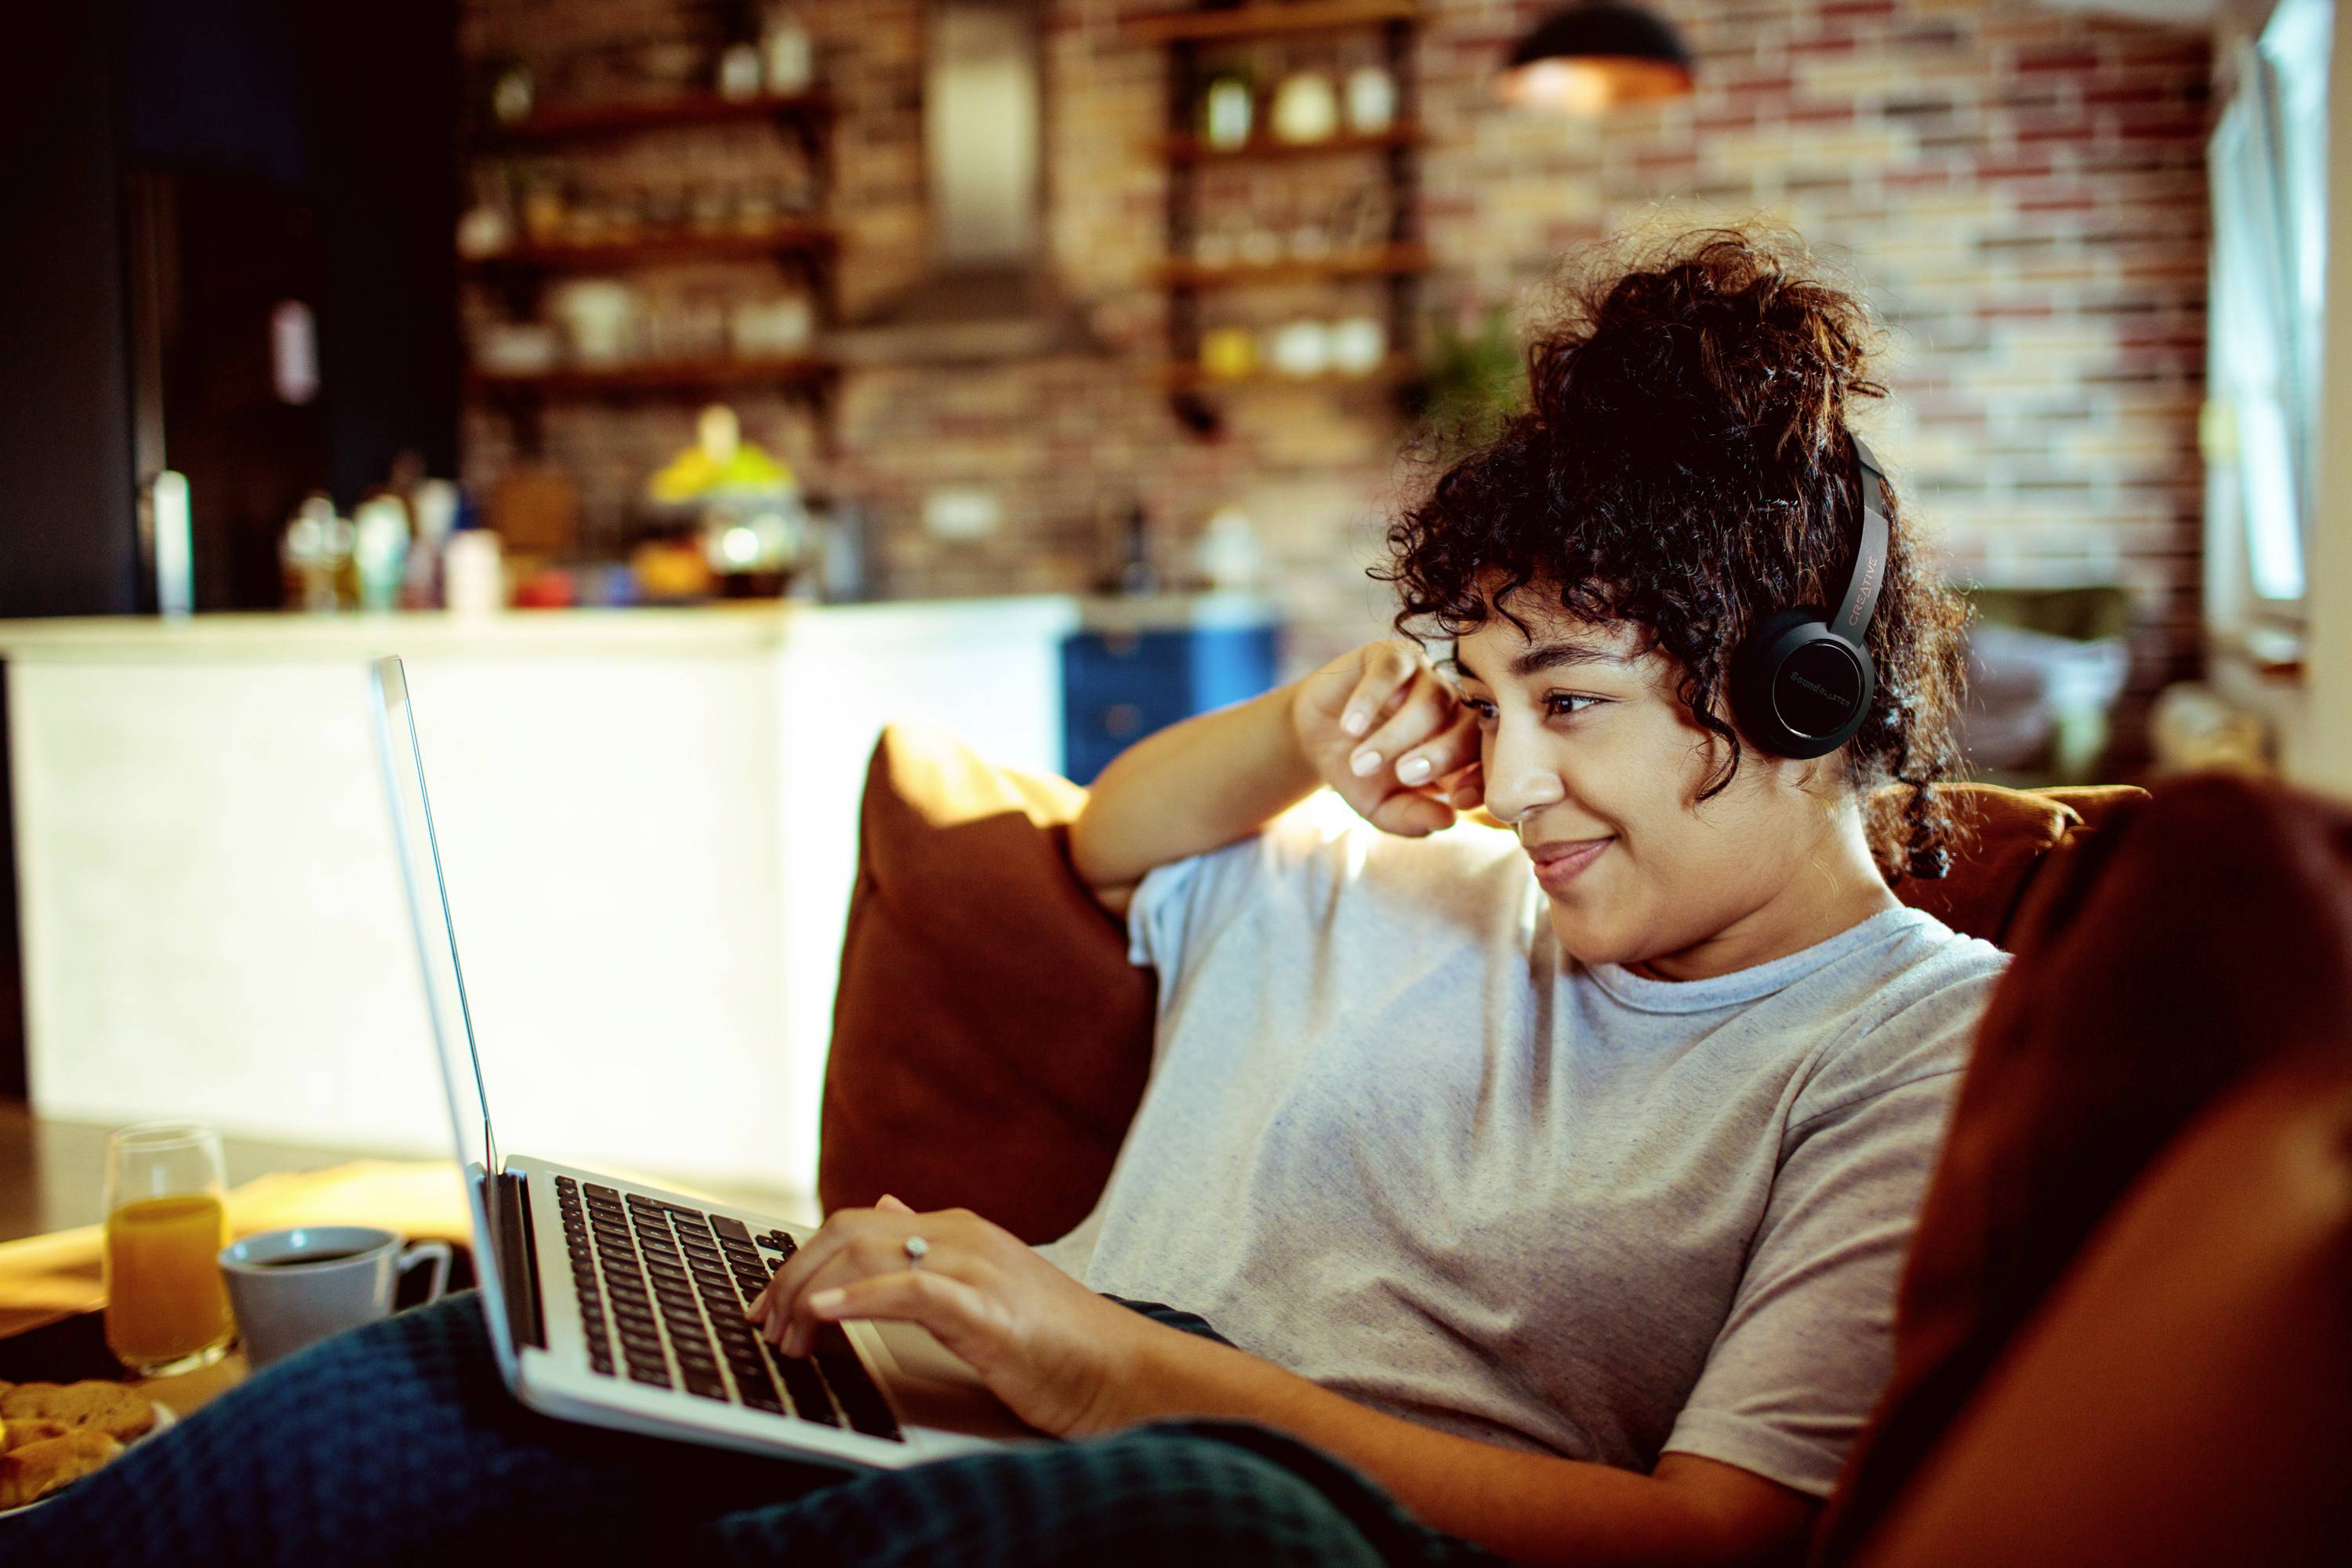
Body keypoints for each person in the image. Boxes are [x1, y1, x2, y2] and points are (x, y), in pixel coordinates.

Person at [9, 225, 2002, 1568]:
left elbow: (1722, 1537)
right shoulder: (1411, 871)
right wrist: (1302, 731)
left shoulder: (1915, 1041)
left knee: (1191, 1518)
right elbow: (1104, 846)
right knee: (474, 1361)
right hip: (961, 1418)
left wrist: (1122, 1369)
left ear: (1798, 695)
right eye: (1487, 700)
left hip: (1263, 1518)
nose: (1514, 776)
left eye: (1569, 702)